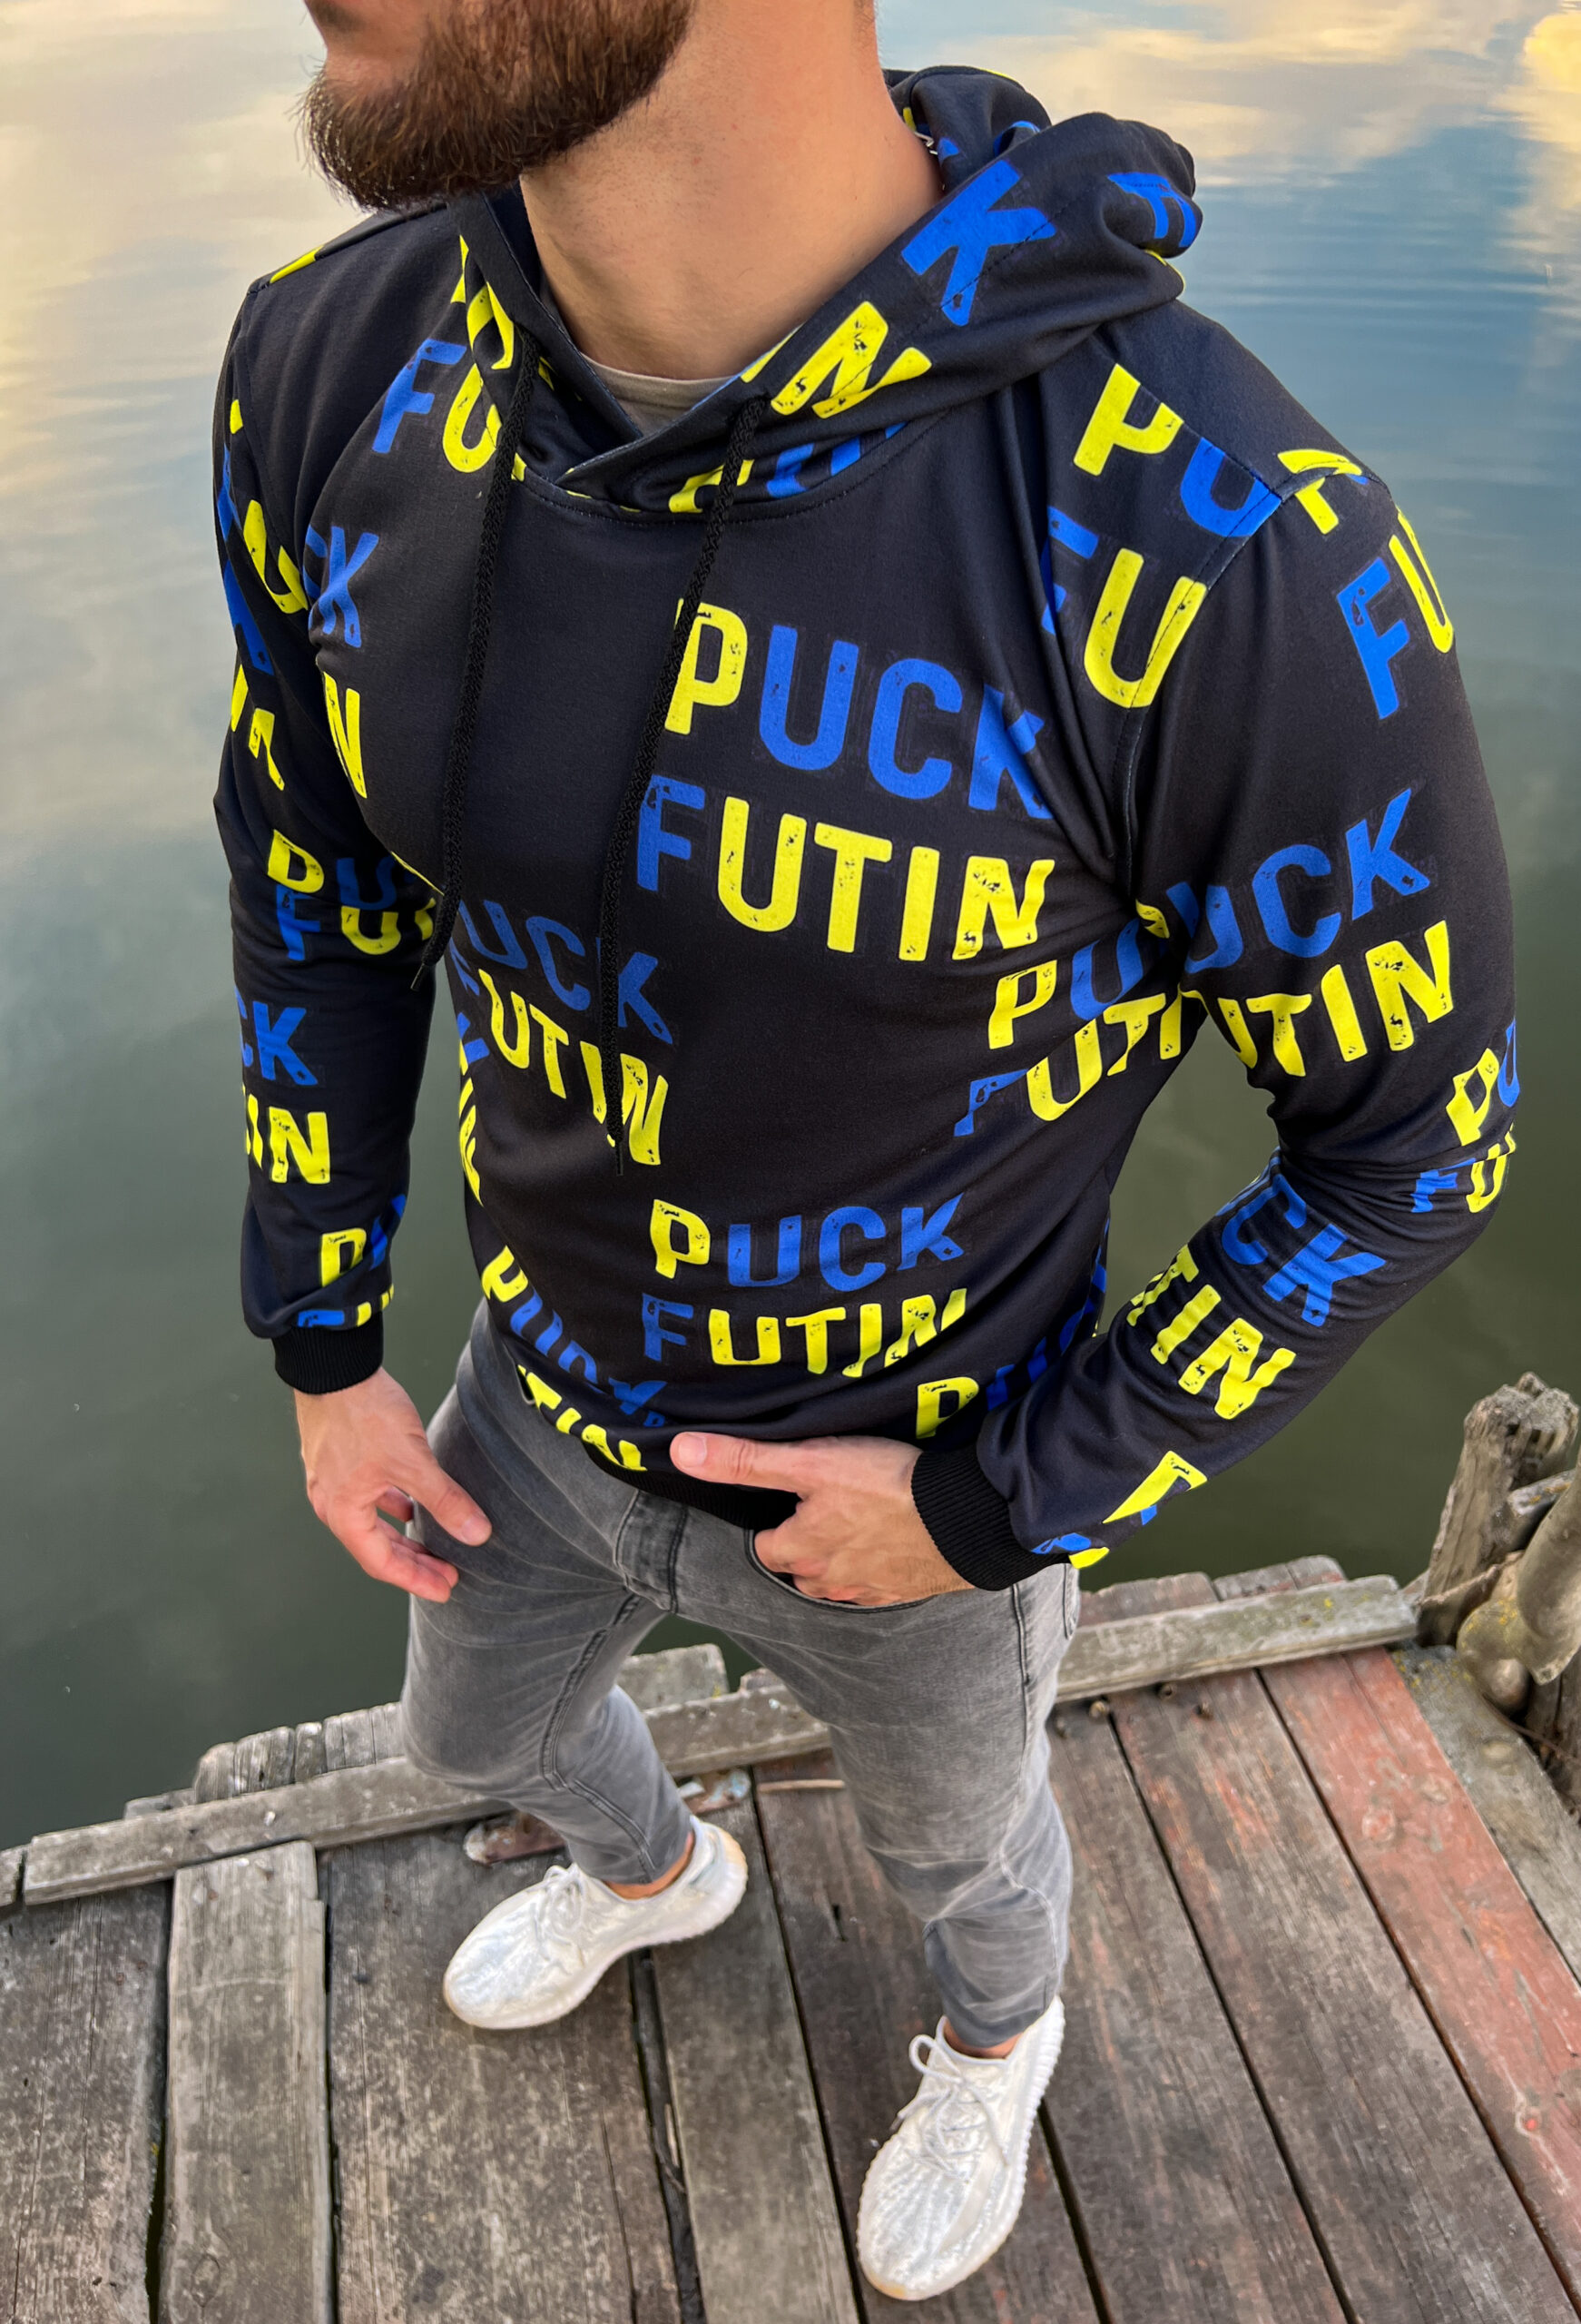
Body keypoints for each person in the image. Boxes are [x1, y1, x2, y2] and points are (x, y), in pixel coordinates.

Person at [212, 0, 1517, 2298]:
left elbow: (1416, 1148)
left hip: (926, 1477)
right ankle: (655, 1872)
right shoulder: (329, 370)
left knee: (962, 1855)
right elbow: (315, 885)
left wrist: (1004, 1495)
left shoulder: (1216, 537)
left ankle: (997, 2039)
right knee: (470, 1726)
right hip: (537, 1395)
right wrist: (324, 1344)